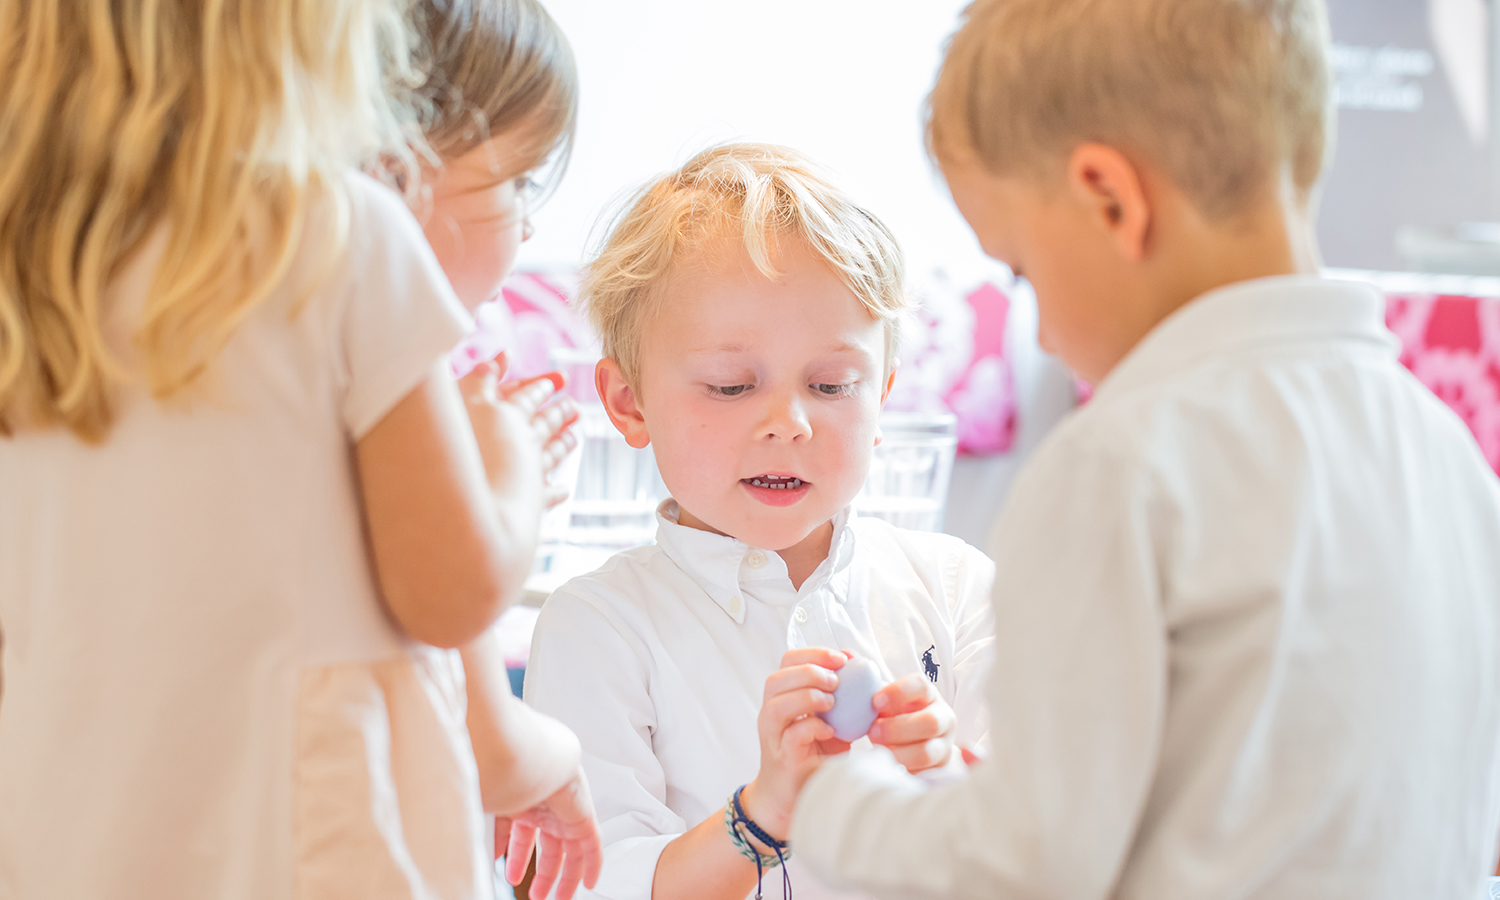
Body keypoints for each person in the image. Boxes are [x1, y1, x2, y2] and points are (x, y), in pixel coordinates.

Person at [788, 1, 1500, 898]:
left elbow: (1023, 865)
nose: (1041, 333)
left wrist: (832, 799)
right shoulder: (1445, 451)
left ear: (1110, 200)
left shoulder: (1117, 466)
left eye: (1023, 272)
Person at [0, 1, 586, 897]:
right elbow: (453, 595)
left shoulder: (37, 271)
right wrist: (505, 454)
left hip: (63, 842)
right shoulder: (336, 237)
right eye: (518, 185)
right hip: (307, 851)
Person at [521, 142, 997, 900]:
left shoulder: (956, 585)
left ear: (883, 397)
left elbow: (1044, 842)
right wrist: (761, 815)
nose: (789, 423)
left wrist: (944, 769)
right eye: (730, 386)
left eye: (833, 384)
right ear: (629, 403)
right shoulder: (598, 628)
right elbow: (591, 883)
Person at [409, 2, 603, 896]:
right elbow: (495, 748)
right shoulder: (395, 376)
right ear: (406, 167)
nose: (529, 228)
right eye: (518, 180)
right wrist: (508, 482)